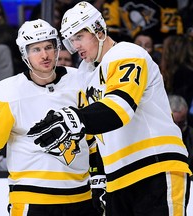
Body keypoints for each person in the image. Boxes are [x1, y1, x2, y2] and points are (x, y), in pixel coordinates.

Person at [27, 2, 192, 216]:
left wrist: (71, 118)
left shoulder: (128, 53)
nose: (75, 46)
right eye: (70, 40)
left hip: (156, 168)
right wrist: (98, 176)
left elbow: (119, 109)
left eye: (79, 36)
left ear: (98, 29)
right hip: (118, 180)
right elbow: (96, 134)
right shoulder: (87, 74)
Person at [0, 19, 104, 216]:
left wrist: (100, 178)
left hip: (82, 199)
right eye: (36, 49)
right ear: (24, 54)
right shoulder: (7, 92)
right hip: (32, 201)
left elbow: (95, 138)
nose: (44, 55)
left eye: (49, 47)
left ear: (57, 48)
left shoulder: (81, 80)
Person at [168, 94, 193, 175]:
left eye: (182, 123)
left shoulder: (191, 135)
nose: (178, 128)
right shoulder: (156, 136)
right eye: (175, 123)